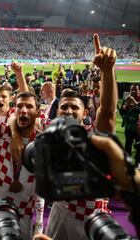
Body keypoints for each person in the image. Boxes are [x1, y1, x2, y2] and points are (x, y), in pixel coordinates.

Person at [45, 34, 118, 240]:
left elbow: (108, 112)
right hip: (60, 211)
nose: (68, 111)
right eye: (63, 107)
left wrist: (107, 70)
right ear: (57, 111)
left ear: (85, 113)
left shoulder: (93, 136)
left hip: (90, 216)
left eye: (74, 107)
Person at [0, 76, 43, 239]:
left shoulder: (42, 142)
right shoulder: (2, 132)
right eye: (19, 106)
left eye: (29, 107)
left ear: (38, 112)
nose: (24, 110)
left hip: (23, 211)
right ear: (15, 110)